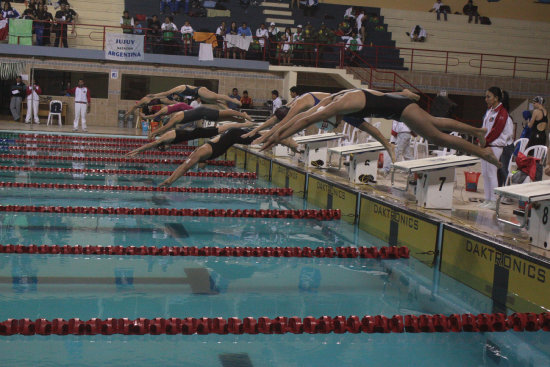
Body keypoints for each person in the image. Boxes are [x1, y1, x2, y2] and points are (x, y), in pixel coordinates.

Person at [259, 88, 500, 169]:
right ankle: (478, 132)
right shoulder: (331, 100)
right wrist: (274, 133)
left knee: (436, 135)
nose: (336, 123)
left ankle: (483, 152)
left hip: (401, 111)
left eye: (332, 122)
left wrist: (274, 138)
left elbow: (302, 122)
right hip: (399, 104)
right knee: (435, 122)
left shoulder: (339, 104)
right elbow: (297, 120)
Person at [250, 90, 396, 162]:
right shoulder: (294, 104)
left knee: (368, 123)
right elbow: (278, 121)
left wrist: (264, 135)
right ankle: (387, 145)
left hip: (341, 105)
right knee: (366, 126)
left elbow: (284, 122)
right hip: (336, 108)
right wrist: (258, 132)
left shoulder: (300, 105)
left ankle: (388, 145)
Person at [158, 127, 299, 187]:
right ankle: (285, 137)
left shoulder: (198, 154)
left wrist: (170, 180)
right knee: (259, 136)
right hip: (231, 135)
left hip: (233, 135)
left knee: (262, 139)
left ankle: (289, 141)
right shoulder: (201, 154)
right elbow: (195, 165)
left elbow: (184, 167)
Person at [125, 122, 254, 157]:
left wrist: (137, 151)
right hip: (196, 133)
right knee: (224, 130)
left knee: (225, 128)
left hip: (198, 132)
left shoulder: (164, 139)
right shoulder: (169, 141)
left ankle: (247, 125)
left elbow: (150, 145)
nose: (168, 149)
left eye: (165, 149)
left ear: (163, 146)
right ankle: (246, 126)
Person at [480, 87, 514, 210]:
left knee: (491, 173)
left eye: (488, 97)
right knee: (484, 173)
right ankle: (487, 198)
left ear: (496, 98)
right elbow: (484, 129)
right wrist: (481, 140)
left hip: (495, 147)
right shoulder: (490, 111)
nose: (486, 99)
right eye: (486, 96)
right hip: (486, 145)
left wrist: (488, 142)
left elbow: (503, 134)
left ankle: (494, 201)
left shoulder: (503, 115)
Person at [148, 106, 253, 139]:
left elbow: (165, 128)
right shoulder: (175, 116)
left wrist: (154, 133)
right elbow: (165, 128)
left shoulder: (174, 119)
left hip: (203, 112)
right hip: (203, 114)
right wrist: (156, 133)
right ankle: (240, 119)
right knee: (223, 118)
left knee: (222, 113)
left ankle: (243, 114)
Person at [147, 84, 242, 109]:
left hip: (199, 90)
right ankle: (230, 111)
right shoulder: (178, 94)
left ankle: (234, 100)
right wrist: (154, 97)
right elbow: (165, 95)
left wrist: (154, 95)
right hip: (198, 94)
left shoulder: (178, 89)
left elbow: (165, 93)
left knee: (216, 97)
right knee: (216, 102)